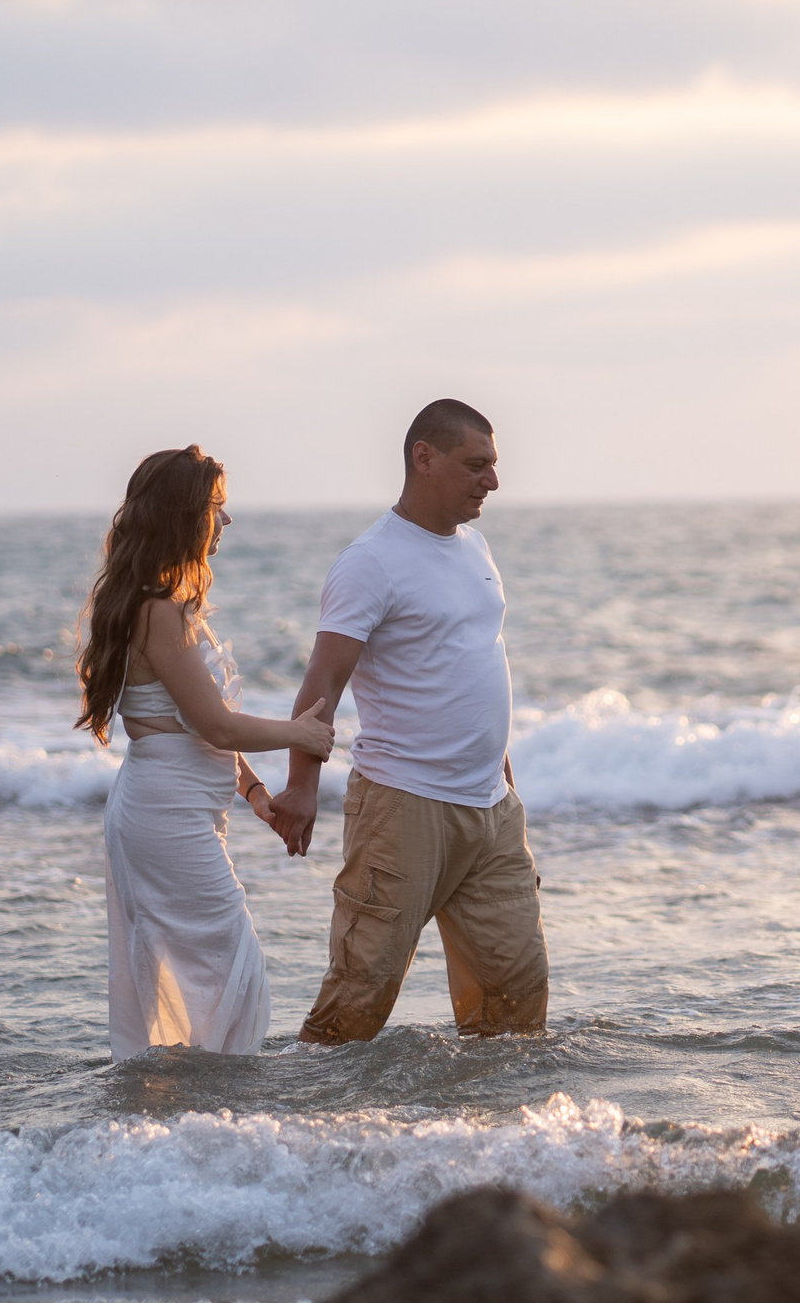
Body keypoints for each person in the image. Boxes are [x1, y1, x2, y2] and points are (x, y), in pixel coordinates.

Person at [267, 400, 549, 1043]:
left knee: (516, 1003)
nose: (493, 482)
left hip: (491, 809)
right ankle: (303, 1137)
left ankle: (490, 1138)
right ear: (424, 457)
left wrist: (500, 770)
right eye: (477, 465)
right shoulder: (371, 561)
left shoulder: (476, 546)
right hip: (403, 808)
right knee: (356, 1001)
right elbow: (322, 684)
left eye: (495, 466)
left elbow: (474, 661)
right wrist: (302, 786)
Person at [77, 445, 335, 1062]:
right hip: (163, 816)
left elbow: (197, 727)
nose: (225, 522)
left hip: (174, 811)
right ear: (184, 515)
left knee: (211, 977)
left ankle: (185, 1114)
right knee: (233, 972)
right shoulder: (157, 610)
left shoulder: (167, 605)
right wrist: (300, 734)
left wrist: (254, 794)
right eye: (216, 509)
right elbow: (215, 725)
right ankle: (211, 1120)